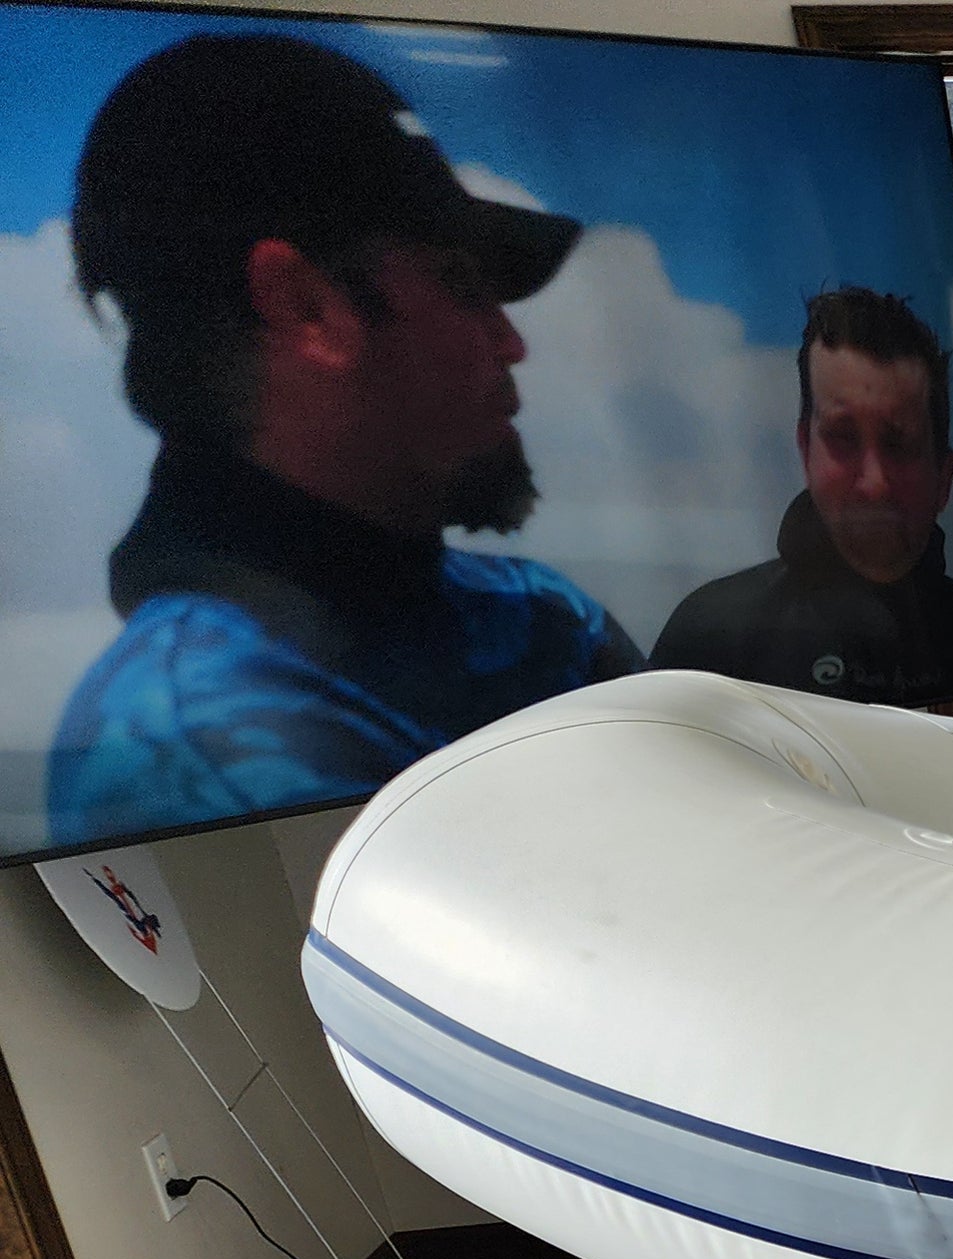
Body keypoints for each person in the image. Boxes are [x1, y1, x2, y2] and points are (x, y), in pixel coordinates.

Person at [49, 34, 642, 850]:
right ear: (307, 308)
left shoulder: (546, 619)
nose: (511, 343)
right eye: (463, 285)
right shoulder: (192, 744)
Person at [650, 289, 953, 703]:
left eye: (899, 444)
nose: (874, 482)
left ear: (944, 476)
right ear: (805, 450)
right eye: (842, 437)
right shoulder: (705, 642)